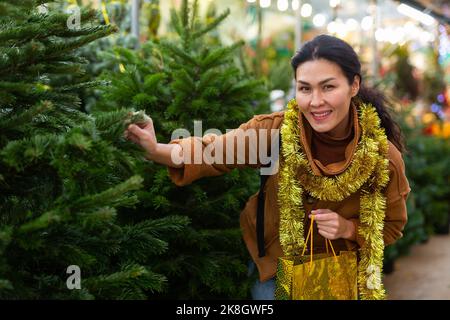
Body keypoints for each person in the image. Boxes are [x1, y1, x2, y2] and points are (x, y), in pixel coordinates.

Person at [124, 34, 410, 300]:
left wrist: (348, 228)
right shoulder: (276, 131)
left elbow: (392, 226)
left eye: (328, 87)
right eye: (304, 88)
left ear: (354, 85)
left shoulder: (383, 157)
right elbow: (212, 151)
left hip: (339, 272)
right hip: (277, 266)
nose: (315, 102)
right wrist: (155, 149)